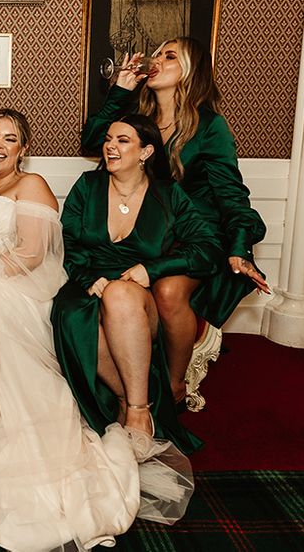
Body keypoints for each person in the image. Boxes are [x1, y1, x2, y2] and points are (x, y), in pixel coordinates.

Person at [0, 109, 194, 551]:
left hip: (11, 285)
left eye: (9, 138)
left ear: (23, 148)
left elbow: (30, 254)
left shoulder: (33, 186)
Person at [82, 37, 269, 404]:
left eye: (170, 56)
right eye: (158, 53)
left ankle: (174, 383)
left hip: (196, 234)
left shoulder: (210, 126)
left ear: (190, 71)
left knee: (167, 291)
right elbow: (92, 140)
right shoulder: (140, 119)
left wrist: (238, 247)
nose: (157, 60)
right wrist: (120, 89)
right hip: (150, 231)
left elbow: (231, 193)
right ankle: (129, 378)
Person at [53, 114, 219, 451]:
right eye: (108, 139)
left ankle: (139, 412)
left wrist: (153, 269)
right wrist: (89, 277)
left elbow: (208, 248)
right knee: (75, 312)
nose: (110, 146)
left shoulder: (168, 195)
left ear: (145, 152)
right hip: (87, 287)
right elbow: (64, 241)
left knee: (121, 295)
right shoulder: (88, 186)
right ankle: (131, 399)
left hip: (136, 302)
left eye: (122, 140)